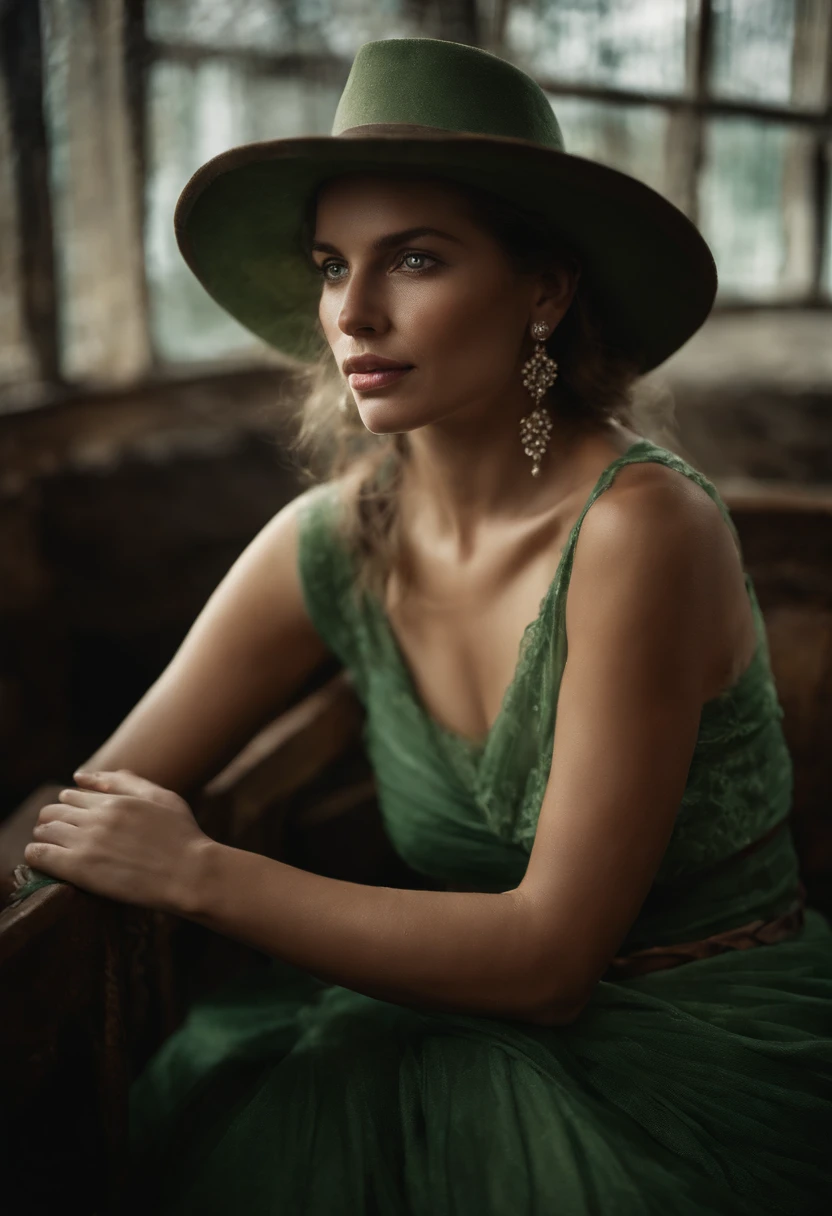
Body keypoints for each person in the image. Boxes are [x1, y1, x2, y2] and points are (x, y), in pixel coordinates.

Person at [18, 37, 832, 1215]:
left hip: (699, 1059)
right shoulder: (328, 542)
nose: (353, 311)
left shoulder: (639, 529)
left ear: (543, 291)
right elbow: (92, 799)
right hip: (435, 1032)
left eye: (413, 259)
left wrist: (200, 873)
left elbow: (551, 963)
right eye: (330, 263)